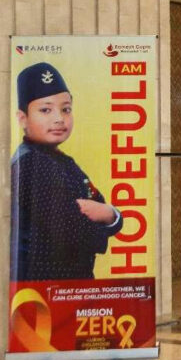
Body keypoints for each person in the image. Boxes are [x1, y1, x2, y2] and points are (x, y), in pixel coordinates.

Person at [11, 62, 123, 281]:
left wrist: (109, 214)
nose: (59, 118)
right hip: (44, 287)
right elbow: (75, 234)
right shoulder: (31, 164)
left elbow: (98, 202)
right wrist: (109, 218)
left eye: (66, 109)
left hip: (73, 286)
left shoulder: (63, 161)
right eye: (45, 110)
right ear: (22, 118)